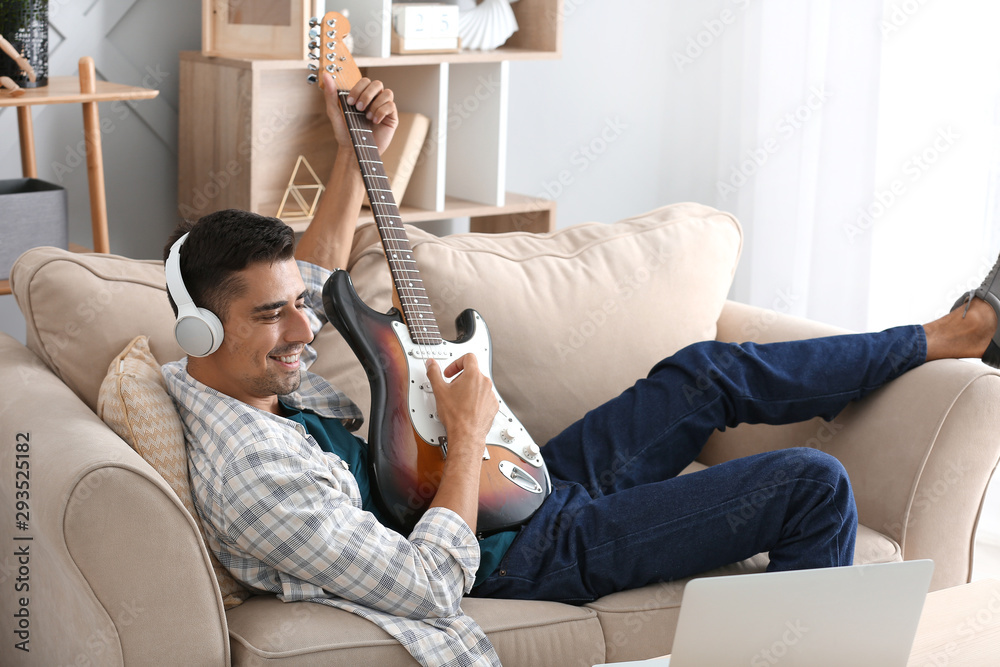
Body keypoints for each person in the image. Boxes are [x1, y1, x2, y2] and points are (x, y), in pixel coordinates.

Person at [161, 74, 1000, 667]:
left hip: (511, 475)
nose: (303, 327)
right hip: (517, 549)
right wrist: (463, 439)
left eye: (296, 308)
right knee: (812, 484)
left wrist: (357, 150)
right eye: (273, 315)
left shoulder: (252, 370)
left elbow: (317, 270)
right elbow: (424, 580)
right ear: (200, 328)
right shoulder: (252, 473)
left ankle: (948, 334)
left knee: (705, 370)